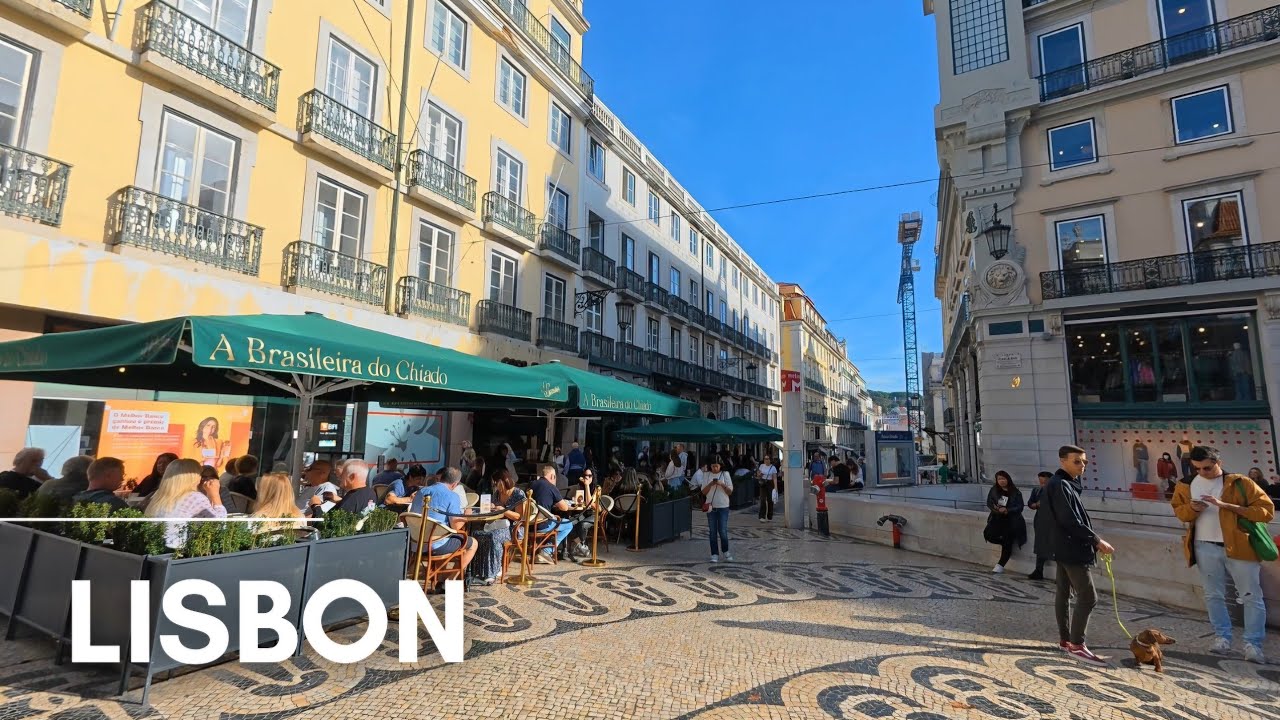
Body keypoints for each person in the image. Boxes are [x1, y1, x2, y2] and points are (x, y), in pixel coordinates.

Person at [1170, 445, 1274, 664]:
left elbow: (1266, 511)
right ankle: (1222, 638)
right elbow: (1180, 512)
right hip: (1203, 545)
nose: (1202, 473)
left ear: (1219, 463)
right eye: (1197, 468)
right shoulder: (1185, 484)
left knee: (1251, 595)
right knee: (1213, 595)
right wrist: (1193, 509)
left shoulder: (1240, 482)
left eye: (1207, 468)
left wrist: (1226, 505)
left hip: (1239, 546)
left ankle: (1252, 644)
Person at [1042, 444, 1114, 666]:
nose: (1082, 465)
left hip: (1063, 547)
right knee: (1088, 596)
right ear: (1062, 461)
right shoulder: (1061, 485)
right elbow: (1070, 520)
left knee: (1064, 594)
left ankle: (1066, 640)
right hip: (1072, 548)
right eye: (1077, 461)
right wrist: (1096, 540)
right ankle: (1076, 644)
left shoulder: (1062, 484)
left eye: (1084, 462)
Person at [409, 467, 479, 577]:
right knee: (473, 543)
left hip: (415, 544)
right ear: (455, 484)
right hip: (435, 546)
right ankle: (449, 581)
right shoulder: (452, 496)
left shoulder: (421, 491)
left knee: (444, 536)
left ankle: (440, 580)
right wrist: (467, 515)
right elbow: (456, 527)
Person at [145, 458, 228, 548]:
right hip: (176, 554)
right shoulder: (194, 497)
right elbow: (219, 526)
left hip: (154, 550)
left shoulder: (159, 494)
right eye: (200, 474)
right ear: (194, 476)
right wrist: (215, 495)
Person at [529, 463, 578, 562]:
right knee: (568, 524)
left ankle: (541, 549)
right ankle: (547, 551)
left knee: (555, 519)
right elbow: (564, 508)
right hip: (542, 524)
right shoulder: (551, 487)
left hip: (529, 524)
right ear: (552, 476)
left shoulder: (532, 484)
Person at [984, 470, 1026, 574]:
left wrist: (1008, 510)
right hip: (997, 519)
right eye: (999, 479)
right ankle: (1004, 542)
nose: (1001, 481)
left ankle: (1000, 566)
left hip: (1011, 521)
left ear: (1008, 479)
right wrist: (997, 510)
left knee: (1008, 543)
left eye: (1003, 479)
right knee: (988, 534)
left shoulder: (1015, 492)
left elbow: (1020, 506)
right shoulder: (994, 490)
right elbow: (989, 503)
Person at [309, 459, 377, 518]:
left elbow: (326, 526)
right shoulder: (370, 493)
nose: (339, 478)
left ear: (352, 477)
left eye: (342, 474)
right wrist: (340, 501)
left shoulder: (352, 499)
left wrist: (316, 506)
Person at [697, 457, 733, 562]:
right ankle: (714, 554)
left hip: (723, 506)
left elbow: (730, 491)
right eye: (713, 466)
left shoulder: (725, 474)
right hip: (711, 507)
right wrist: (710, 484)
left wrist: (721, 484)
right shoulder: (706, 475)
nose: (715, 468)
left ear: (720, 465)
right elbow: (703, 492)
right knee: (712, 531)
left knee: (722, 531)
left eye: (716, 466)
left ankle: (726, 551)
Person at [1028, 471, 1054, 580]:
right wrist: (1036, 505)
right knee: (1040, 545)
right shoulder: (1036, 490)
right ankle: (1038, 570)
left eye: (1044, 481)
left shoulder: (1055, 491)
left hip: (1053, 521)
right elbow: (1030, 503)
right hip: (1040, 520)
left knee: (1056, 546)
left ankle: (1062, 575)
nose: (1042, 483)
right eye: (1040, 481)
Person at [757, 456, 778, 522]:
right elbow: (758, 475)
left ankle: (769, 516)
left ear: (770, 460)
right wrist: (760, 474)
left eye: (767, 459)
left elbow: (774, 478)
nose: (766, 460)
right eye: (765, 459)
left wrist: (775, 487)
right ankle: (762, 516)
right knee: (762, 499)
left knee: (770, 500)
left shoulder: (773, 468)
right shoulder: (762, 466)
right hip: (763, 483)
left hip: (770, 483)